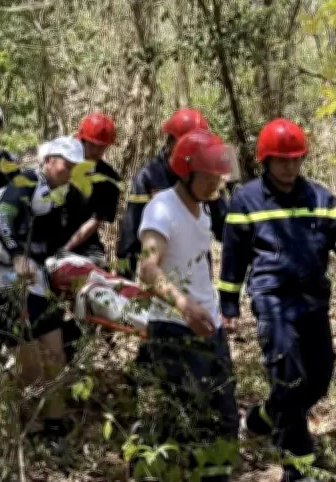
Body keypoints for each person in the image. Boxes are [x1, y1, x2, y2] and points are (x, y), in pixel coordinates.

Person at [217, 118, 336, 482]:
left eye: (296, 159)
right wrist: (229, 304)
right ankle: (298, 465)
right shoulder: (246, 199)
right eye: (282, 160)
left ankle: (263, 417)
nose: (290, 166)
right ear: (266, 160)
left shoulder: (318, 196)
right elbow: (233, 257)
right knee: (289, 379)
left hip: (313, 301)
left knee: (320, 376)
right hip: (273, 302)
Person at [137, 129, 238, 482]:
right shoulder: (161, 207)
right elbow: (147, 268)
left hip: (209, 325)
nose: (215, 183)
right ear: (187, 172)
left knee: (224, 413)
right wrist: (183, 305)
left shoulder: (204, 210)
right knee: (194, 417)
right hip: (174, 327)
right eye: (208, 176)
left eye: (217, 176)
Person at [0, 136, 88, 441]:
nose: (68, 171)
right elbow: (2, 216)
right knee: (28, 363)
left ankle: (54, 424)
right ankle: (0, 417)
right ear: (48, 161)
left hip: (39, 283)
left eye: (72, 167)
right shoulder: (27, 181)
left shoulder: (58, 197)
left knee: (55, 353)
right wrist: (17, 253)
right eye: (64, 165)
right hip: (7, 280)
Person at [116, 108, 228, 280]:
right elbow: (131, 231)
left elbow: (223, 226)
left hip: (198, 274)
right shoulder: (149, 176)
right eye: (187, 142)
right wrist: (123, 280)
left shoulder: (206, 176)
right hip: (163, 277)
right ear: (170, 142)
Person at [59, 112, 121, 268]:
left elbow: (95, 220)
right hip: (52, 235)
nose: (96, 151)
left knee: (98, 269)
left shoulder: (109, 179)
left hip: (86, 243)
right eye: (92, 145)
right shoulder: (60, 164)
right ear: (82, 140)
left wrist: (66, 249)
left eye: (101, 147)